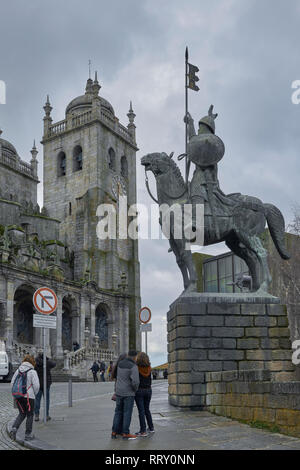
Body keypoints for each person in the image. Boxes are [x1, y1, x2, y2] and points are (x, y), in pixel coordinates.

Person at [10, 355, 40, 441]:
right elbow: (36, 386)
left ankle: (14, 429)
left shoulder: (18, 370)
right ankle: (28, 435)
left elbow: (12, 383)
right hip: (29, 397)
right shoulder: (32, 372)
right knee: (30, 415)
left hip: (18, 396)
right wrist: (33, 394)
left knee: (22, 413)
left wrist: (15, 393)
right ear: (32, 362)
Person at [111, 350, 139, 440]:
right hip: (128, 393)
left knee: (118, 412)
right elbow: (135, 381)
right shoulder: (133, 366)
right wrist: (135, 390)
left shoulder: (120, 364)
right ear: (135, 357)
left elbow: (118, 378)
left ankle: (114, 432)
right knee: (127, 413)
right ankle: (125, 433)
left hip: (119, 392)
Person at [134, 352, 154, 436]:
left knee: (141, 411)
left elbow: (135, 381)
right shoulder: (149, 368)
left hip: (139, 391)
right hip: (148, 390)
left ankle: (143, 431)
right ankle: (151, 427)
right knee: (147, 410)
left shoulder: (136, 368)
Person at [34, 352, 56, 422]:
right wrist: (47, 358)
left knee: (37, 400)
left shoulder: (35, 362)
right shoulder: (47, 362)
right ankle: (46, 415)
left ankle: (36, 415)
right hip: (46, 383)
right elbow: (54, 364)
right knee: (46, 400)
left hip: (38, 384)